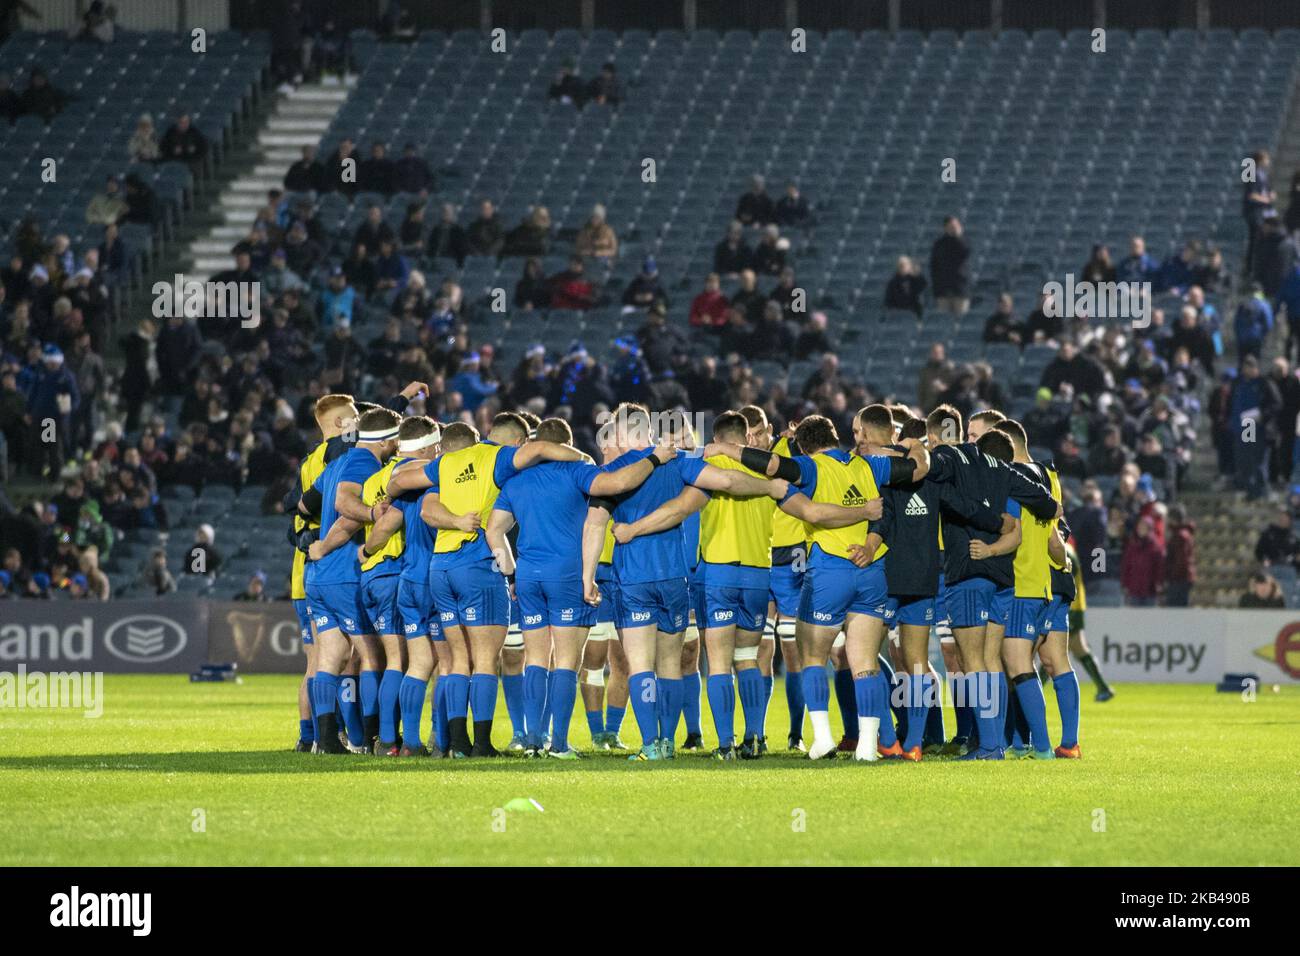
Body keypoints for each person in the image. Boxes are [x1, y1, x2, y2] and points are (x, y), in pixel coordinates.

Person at [582, 403, 790, 760]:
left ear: (619, 434)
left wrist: (587, 577)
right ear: (649, 431)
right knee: (670, 666)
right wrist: (768, 486)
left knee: (641, 665)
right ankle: (669, 739)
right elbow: (726, 480)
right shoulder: (678, 463)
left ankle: (651, 746)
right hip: (676, 579)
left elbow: (595, 525)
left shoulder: (613, 474)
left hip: (634, 579)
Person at [384, 413, 589, 756]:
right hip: (477, 565)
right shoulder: (497, 457)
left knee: (457, 660)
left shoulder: (444, 465)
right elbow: (540, 448)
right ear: (515, 442)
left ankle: (455, 743)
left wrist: (388, 495)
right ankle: (481, 744)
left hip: (440, 568)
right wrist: (581, 457)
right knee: (484, 660)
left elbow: (402, 484)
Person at [486, 417, 671, 758]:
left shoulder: (515, 482)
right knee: (567, 662)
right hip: (568, 576)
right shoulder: (577, 473)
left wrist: (509, 574)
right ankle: (558, 744)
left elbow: (494, 532)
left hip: (528, 576)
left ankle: (533, 740)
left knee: (536, 659)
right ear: (567, 445)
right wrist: (656, 458)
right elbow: (617, 482)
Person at [303, 407, 404, 754]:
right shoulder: (365, 463)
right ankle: (372, 738)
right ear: (388, 440)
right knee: (373, 655)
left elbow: (305, 504)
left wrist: (314, 543)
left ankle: (325, 738)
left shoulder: (334, 464)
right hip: (344, 573)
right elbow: (346, 505)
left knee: (331, 655)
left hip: (317, 576)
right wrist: (374, 513)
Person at [930, 216, 970, 315]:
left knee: (961, 317)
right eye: (951, 226)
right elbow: (934, 265)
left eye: (956, 225)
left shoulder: (963, 241)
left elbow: (966, 252)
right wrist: (936, 287)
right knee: (943, 319)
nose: (954, 227)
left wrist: (958, 237)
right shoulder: (939, 244)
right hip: (943, 289)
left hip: (960, 288)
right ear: (945, 227)